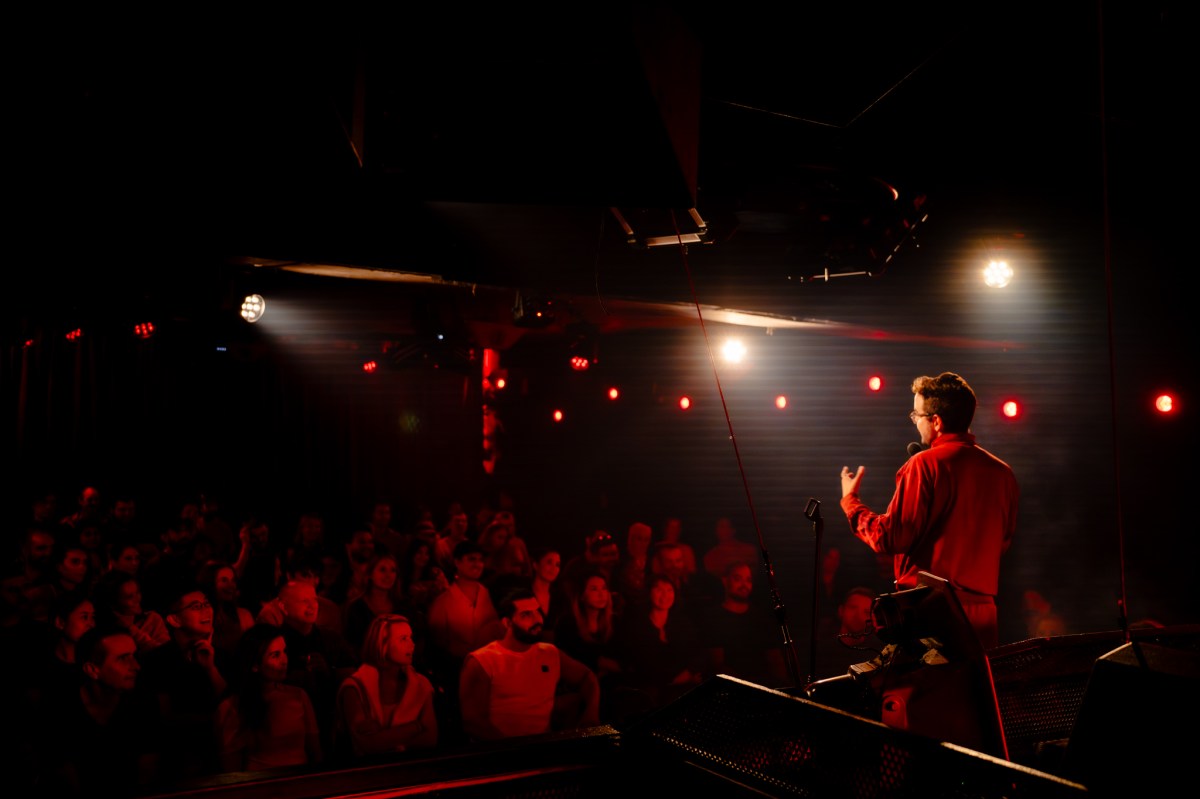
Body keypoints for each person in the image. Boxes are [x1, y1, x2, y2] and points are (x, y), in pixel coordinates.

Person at [838, 372, 1019, 651]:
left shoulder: (924, 465)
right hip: (983, 619)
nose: (915, 421)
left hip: (932, 614)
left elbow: (891, 537)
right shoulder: (1003, 473)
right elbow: (1002, 543)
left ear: (936, 421)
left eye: (917, 415)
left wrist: (851, 502)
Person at [459, 587, 600, 742]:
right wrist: (514, 750)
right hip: (501, 751)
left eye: (538, 611)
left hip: (545, 746)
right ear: (507, 623)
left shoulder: (550, 653)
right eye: (526, 614)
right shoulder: (482, 661)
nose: (537, 620)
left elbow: (587, 678)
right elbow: (473, 722)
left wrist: (591, 714)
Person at [214, 623, 323, 773]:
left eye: (284, 651)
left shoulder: (299, 696)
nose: (284, 660)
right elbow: (231, 768)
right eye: (275, 655)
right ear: (255, 664)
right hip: (260, 783)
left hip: (300, 780)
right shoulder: (233, 707)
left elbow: (315, 753)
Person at [335, 614, 437, 760]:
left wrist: (386, 738)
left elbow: (430, 739)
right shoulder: (355, 687)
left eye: (410, 637)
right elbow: (367, 744)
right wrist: (415, 727)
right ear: (382, 644)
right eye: (403, 639)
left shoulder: (421, 684)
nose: (412, 644)